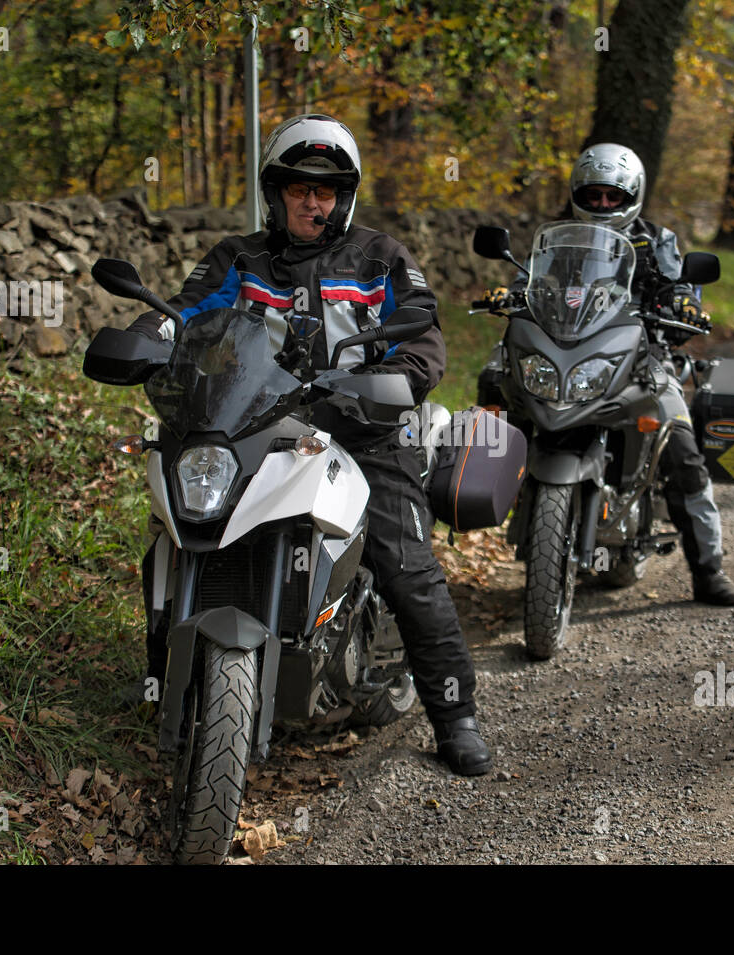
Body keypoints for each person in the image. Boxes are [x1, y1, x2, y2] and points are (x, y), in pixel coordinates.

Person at [126, 114, 492, 775]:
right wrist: (147, 335)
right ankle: (168, 679)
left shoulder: (381, 258)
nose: (312, 201)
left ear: (344, 196)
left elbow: (424, 341)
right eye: (298, 188)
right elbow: (184, 313)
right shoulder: (239, 259)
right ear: (277, 193)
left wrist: (381, 383)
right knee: (181, 529)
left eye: (325, 190)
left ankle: (455, 713)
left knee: (405, 564)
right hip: (257, 426)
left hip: (366, 429)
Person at [479, 143, 734, 606]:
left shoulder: (658, 241)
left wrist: (684, 303)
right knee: (493, 382)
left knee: (681, 450)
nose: (603, 204)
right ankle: (480, 498)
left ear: (633, 196)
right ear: (578, 193)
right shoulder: (559, 240)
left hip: (642, 358)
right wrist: (513, 294)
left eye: (614, 196)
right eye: (594, 194)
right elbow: (533, 283)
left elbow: (684, 284)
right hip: (568, 355)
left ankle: (708, 571)